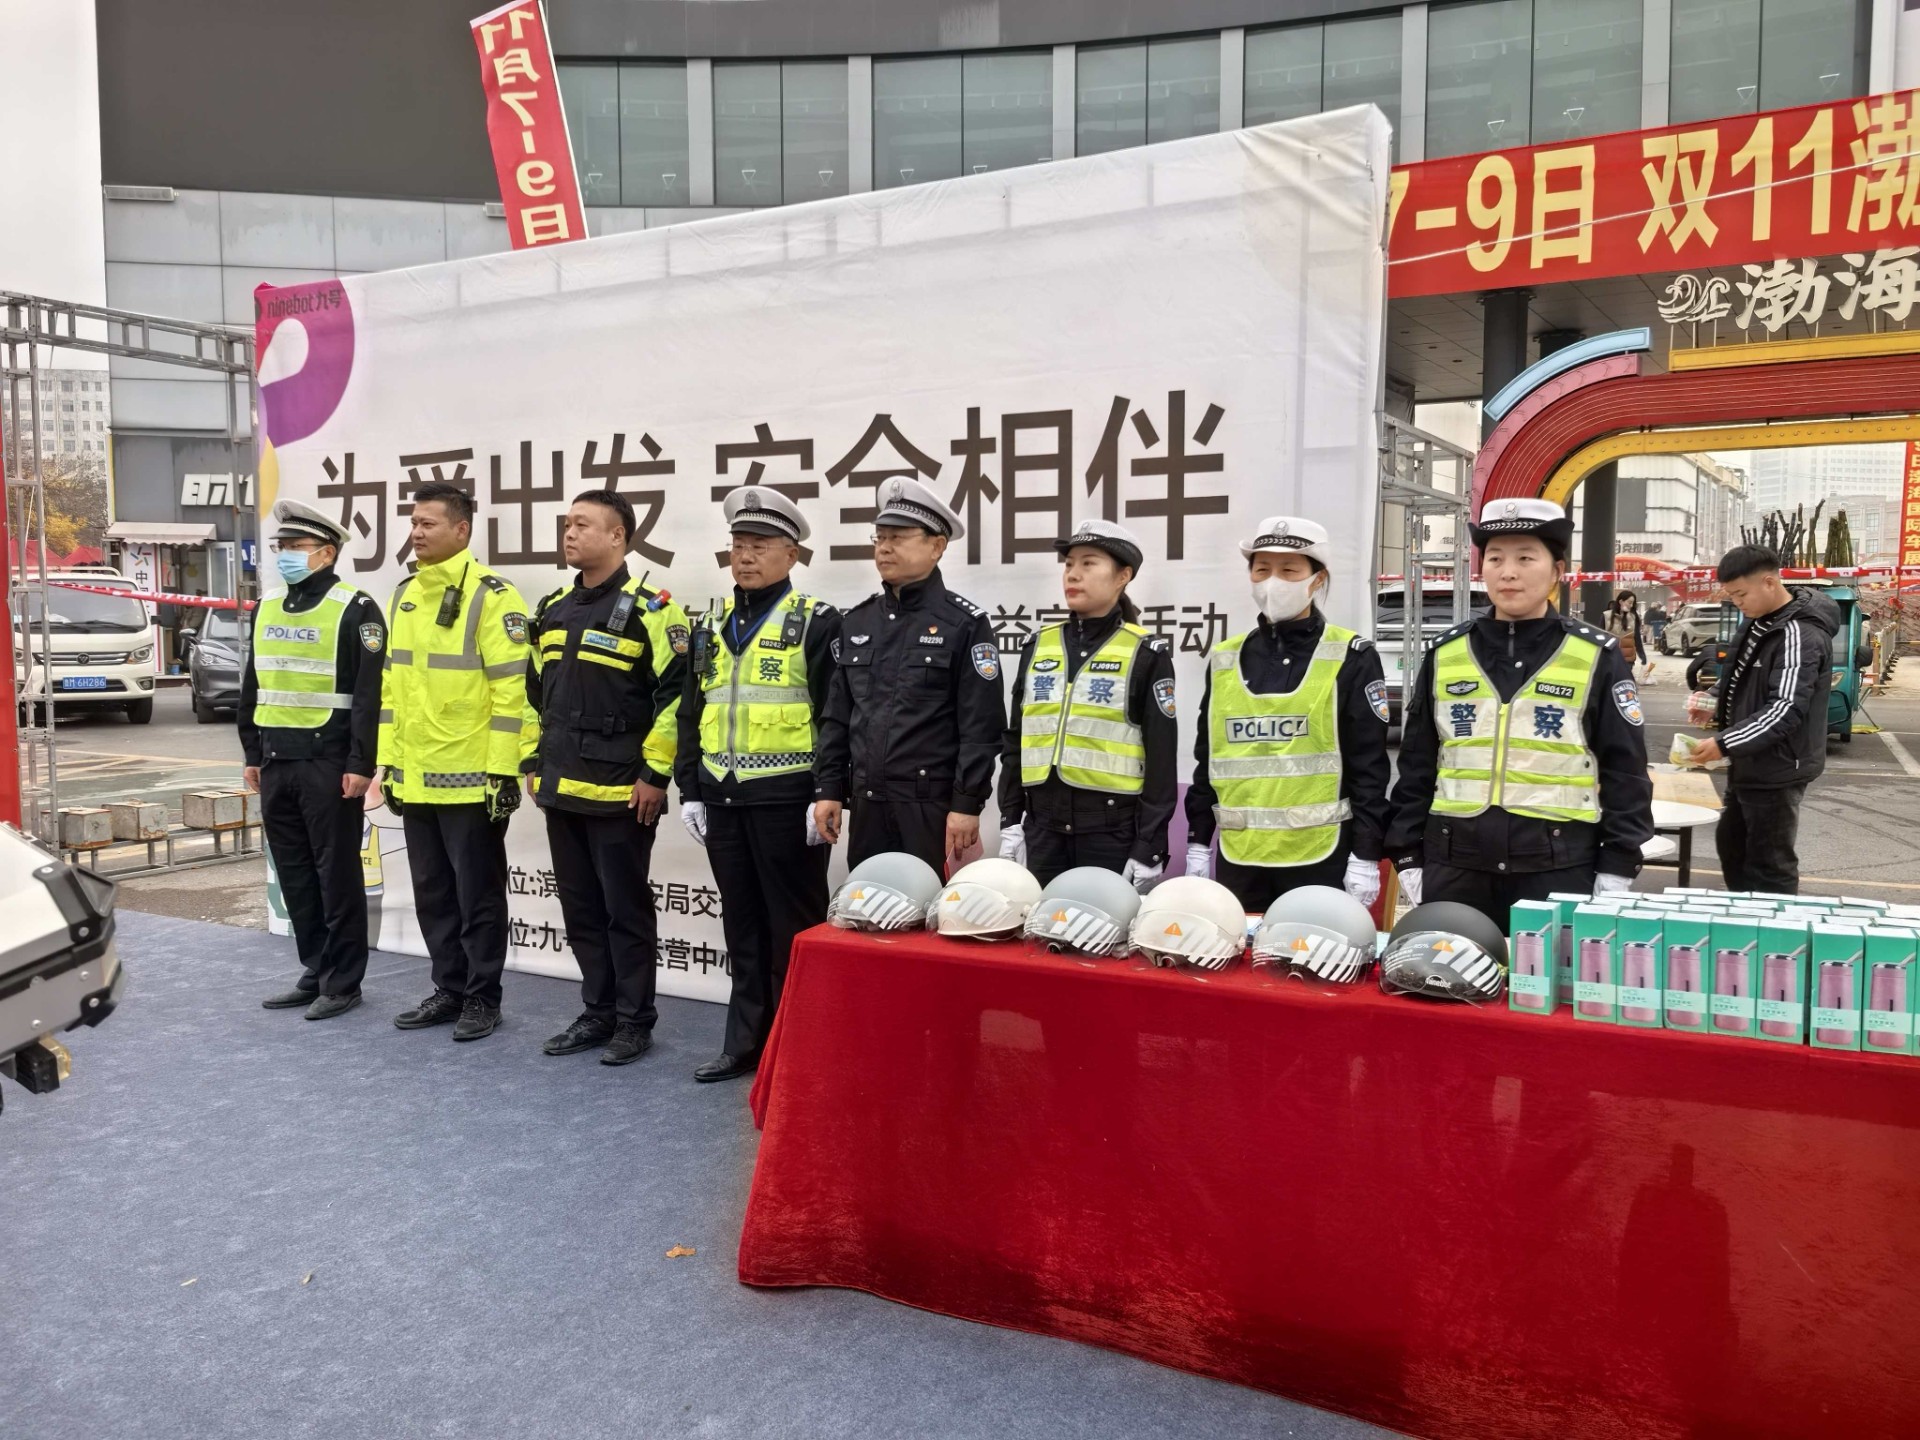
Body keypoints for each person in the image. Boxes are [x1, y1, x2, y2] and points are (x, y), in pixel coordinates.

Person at [1387, 497, 1654, 927]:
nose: (1508, 572)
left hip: (1559, 866)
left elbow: (1627, 771)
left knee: (1547, 974)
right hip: (1455, 865)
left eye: (1525, 558)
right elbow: (1417, 764)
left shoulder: (1596, 656)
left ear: (1557, 571)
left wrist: (1618, 865)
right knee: (1449, 968)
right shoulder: (1446, 652)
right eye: (1495, 558)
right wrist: (1406, 853)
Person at [678, 487, 840, 1083]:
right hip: (723, 795)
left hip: (788, 799)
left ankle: (802, 1048)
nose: (745, 557)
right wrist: (690, 789)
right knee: (741, 923)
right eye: (738, 545)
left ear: (791, 555)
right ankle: (745, 1043)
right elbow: (692, 710)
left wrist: (827, 790)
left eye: (760, 546)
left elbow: (835, 716)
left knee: (794, 927)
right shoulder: (709, 625)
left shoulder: (817, 622)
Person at [523, 491, 691, 1066]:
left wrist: (655, 774)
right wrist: (533, 761)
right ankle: (597, 1012)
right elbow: (534, 696)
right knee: (581, 911)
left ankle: (634, 1020)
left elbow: (677, 701)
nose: (569, 533)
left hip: (622, 792)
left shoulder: (653, 610)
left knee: (625, 911)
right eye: (567, 523)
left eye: (583, 524)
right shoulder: (552, 608)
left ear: (618, 536)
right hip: (562, 788)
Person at [379, 481, 531, 1042]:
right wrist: (390, 764)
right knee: (433, 894)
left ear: (461, 529)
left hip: (472, 782)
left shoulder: (494, 597)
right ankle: (449, 988)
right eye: (413, 523)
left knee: (478, 898)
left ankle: (482, 998)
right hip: (416, 778)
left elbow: (513, 692)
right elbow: (392, 689)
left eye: (429, 524)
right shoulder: (405, 595)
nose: (416, 533)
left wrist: (502, 771)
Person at [1184, 517, 1393, 913]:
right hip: (1240, 858)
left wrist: (1365, 855)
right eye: (1262, 569)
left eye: (1289, 570)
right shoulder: (1226, 658)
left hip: (1319, 856)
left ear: (1317, 579)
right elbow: (1208, 760)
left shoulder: (1350, 656)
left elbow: (1369, 767)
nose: (1272, 582)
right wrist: (1198, 842)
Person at [813, 477, 1006, 874]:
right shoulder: (858, 622)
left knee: (933, 909)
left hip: (931, 807)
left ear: (937, 546)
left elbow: (980, 727)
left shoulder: (963, 624)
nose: (884, 548)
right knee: (868, 904)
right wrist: (828, 788)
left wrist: (967, 804)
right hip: (867, 804)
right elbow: (837, 717)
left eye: (898, 537)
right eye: (880, 537)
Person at [244, 499, 384, 1020]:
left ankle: (344, 981)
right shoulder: (267, 607)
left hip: (329, 761)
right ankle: (316, 968)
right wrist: (251, 750)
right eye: (280, 546)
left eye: (295, 547)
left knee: (336, 875)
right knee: (296, 874)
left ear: (326, 553)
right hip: (275, 759)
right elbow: (254, 683)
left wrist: (361, 763)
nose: (284, 555)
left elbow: (368, 695)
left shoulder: (356, 608)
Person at [996, 519, 1175, 891]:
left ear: (1123, 576)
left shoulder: (1145, 653)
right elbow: (1016, 741)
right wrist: (1010, 820)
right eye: (1069, 564)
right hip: (1042, 830)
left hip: (1111, 833)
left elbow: (1161, 760)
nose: (1073, 574)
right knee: (1043, 925)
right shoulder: (1038, 646)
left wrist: (1150, 845)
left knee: (1102, 925)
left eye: (1088, 563)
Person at [1683, 545, 1839, 895]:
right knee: (1733, 846)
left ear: (1769, 582)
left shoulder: (1799, 633)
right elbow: (1742, 676)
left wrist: (1724, 742)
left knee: (1769, 863)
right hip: (1750, 761)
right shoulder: (1760, 620)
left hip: (1777, 767)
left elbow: (1785, 708)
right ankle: (1743, 917)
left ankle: (1773, 928)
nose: (1737, 602)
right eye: (1731, 595)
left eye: (1741, 594)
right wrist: (1713, 700)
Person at [1604, 590, 1651, 682]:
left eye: (1633, 603)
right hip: (1610, 658)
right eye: (1629, 602)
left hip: (1628, 659)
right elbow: (1600, 636)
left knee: (1624, 682)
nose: (1631, 605)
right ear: (1621, 601)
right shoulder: (1606, 616)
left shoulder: (1633, 618)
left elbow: (1637, 639)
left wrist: (1642, 656)